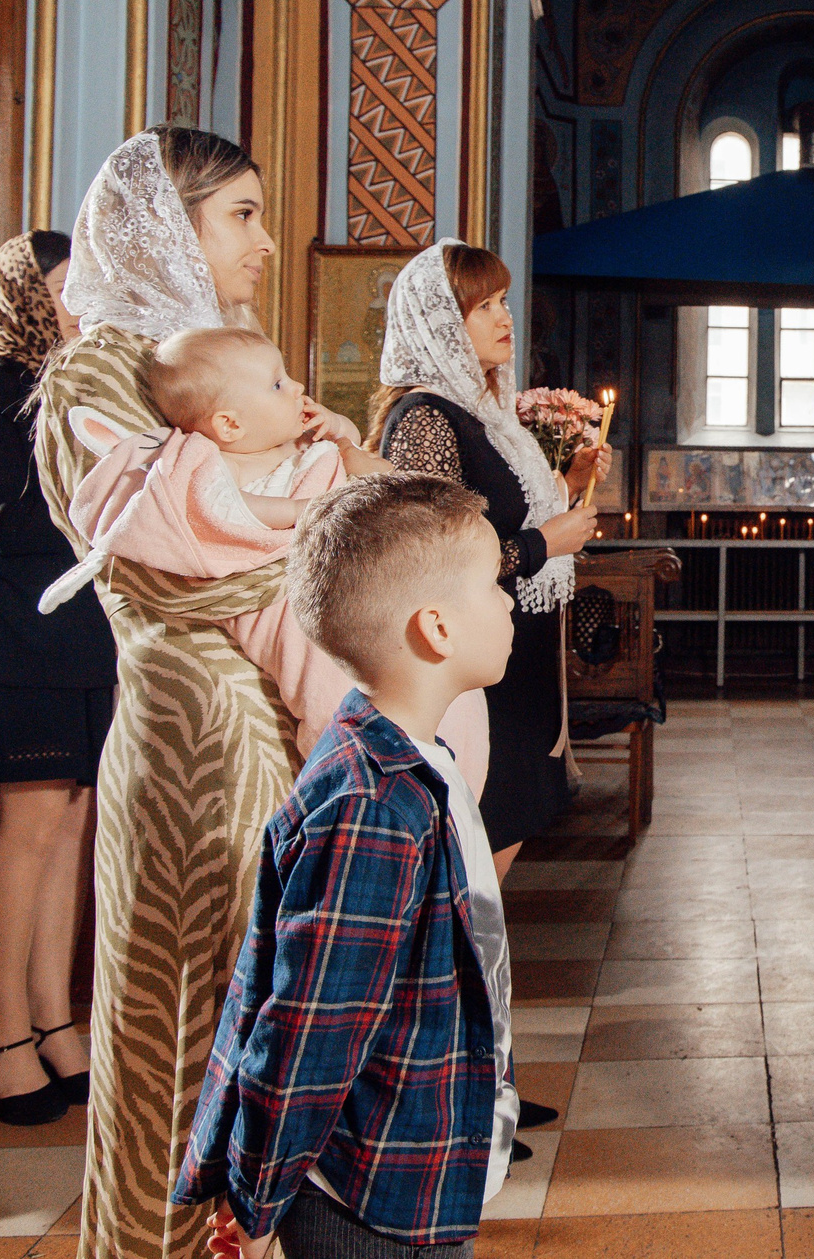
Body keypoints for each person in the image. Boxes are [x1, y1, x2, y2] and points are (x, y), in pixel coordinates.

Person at [34, 127, 364, 1259]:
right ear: (165, 224)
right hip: (190, 741)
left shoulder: (216, 353)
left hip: (263, 724)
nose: (266, 243)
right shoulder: (98, 368)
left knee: (263, 1015)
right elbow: (162, 568)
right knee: (188, 1025)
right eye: (241, 216)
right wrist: (346, 556)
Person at [177, 473, 520, 1259]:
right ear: (434, 626)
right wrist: (256, 1198)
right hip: (366, 1200)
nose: (507, 604)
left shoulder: (409, 757)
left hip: (413, 1160)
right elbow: (309, 1027)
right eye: (493, 586)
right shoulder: (371, 805)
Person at [0, 232, 117, 1126]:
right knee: (30, 821)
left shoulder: (96, 387)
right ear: (25, 295)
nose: (83, 298)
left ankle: (56, 1018)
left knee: (74, 822)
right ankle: (0, 1029)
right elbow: (8, 526)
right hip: (17, 628)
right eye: (65, 286)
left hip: (90, 634)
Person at [369, 243, 603, 875]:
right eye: (484, 306)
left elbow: (507, 516)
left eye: (503, 301)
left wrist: (572, 479)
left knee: (499, 850)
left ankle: (476, 972)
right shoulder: (424, 419)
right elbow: (428, 561)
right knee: (474, 862)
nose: (506, 318)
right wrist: (543, 545)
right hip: (474, 672)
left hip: (514, 660)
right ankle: (454, 975)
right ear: (441, 322)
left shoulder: (484, 415)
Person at [46, 326, 390, 753]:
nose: (298, 386)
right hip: (275, 599)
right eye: (278, 383)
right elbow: (226, 511)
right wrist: (306, 511)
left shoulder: (289, 441)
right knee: (320, 672)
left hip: (347, 566)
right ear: (229, 424)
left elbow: (347, 444)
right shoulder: (218, 464)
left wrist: (336, 427)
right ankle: (338, 750)